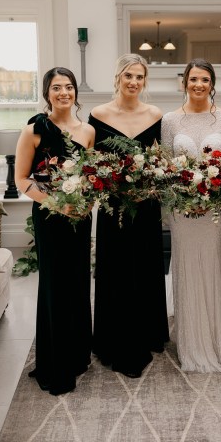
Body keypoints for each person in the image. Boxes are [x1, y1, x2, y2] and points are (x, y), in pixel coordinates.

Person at [15, 67, 95, 395]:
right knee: (55, 286)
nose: (64, 92)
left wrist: (87, 201)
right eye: (56, 87)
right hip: (50, 217)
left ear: (76, 92)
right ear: (47, 92)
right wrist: (57, 203)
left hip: (80, 217)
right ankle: (55, 364)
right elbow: (22, 180)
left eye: (69, 87)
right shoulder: (34, 128)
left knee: (78, 283)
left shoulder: (87, 130)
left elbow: (91, 174)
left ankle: (77, 355)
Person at [89, 53, 169, 379]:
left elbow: (160, 161)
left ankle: (148, 332)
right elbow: (92, 163)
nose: (134, 82)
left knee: (146, 266)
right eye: (128, 76)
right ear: (118, 78)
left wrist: (151, 183)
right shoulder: (98, 115)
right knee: (117, 269)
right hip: (114, 207)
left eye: (139, 77)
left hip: (146, 205)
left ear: (144, 81)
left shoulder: (155, 114)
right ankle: (113, 337)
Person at [161, 58, 221, 372]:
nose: (198, 85)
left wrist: (213, 192)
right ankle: (190, 338)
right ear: (184, 82)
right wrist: (180, 199)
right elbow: (166, 167)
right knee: (188, 268)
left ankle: (218, 336)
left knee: (214, 267)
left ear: (212, 84)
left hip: (215, 211)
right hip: (183, 211)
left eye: (205, 80)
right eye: (193, 79)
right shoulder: (170, 119)